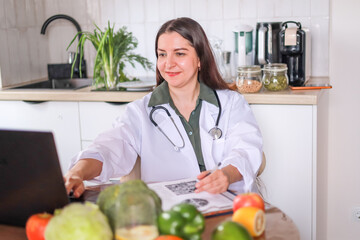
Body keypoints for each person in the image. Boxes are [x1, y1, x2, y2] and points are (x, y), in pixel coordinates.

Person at [64, 17, 263, 198]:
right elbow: (109, 148)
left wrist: (226, 175)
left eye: (180, 53)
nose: (168, 64)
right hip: (171, 212)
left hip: (233, 207)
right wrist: (77, 172)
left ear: (200, 60)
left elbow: (246, 150)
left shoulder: (231, 103)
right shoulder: (140, 112)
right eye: (162, 54)